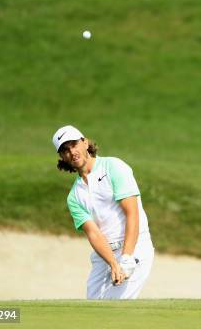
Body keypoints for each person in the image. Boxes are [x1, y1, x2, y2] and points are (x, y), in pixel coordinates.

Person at [52, 125, 154, 299]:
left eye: (74, 144)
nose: (72, 152)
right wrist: (113, 264)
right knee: (93, 308)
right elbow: (94, 233)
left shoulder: (113, 167)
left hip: (134, 247)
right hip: (104, 256)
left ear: (85, 143)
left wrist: (127, 257)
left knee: (117, 308)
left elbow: (132, 213)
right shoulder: (74, 197)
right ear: (62, 157)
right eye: (65, 150)